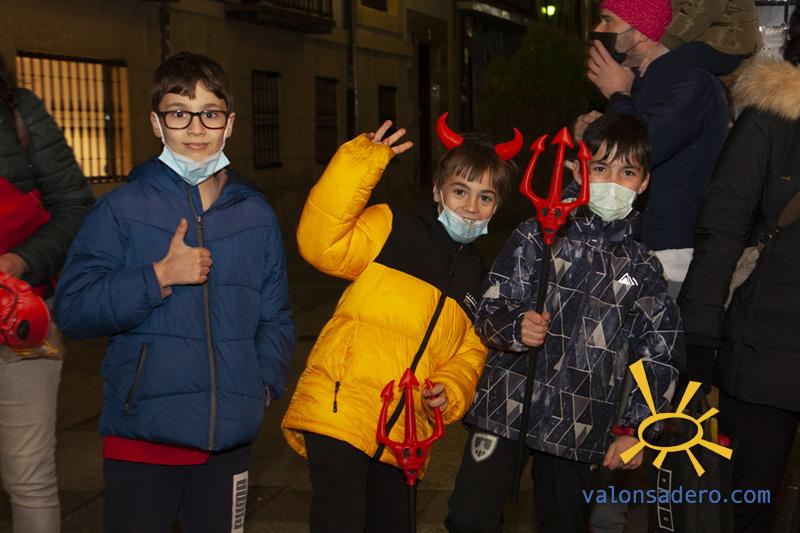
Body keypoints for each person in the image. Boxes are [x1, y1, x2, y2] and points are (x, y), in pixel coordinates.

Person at [53, 51, 296, 533]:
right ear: (156, 123)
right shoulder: (121, 208)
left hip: (228, 441)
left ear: (229, 124)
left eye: (210, 113)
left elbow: (276, 316)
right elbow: (73, 308)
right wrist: (157, 277)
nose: (196, 128)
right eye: (179, 113)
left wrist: (262, 385)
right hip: (143, 438)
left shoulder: (255, 214)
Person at [445, 113, 683, 533]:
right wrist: (515, 327)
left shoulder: (642, 267)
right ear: (578, 171)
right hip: (506, 408)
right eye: (600, 168)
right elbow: (489, 309)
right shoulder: (535, 235)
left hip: (580, 426)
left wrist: (637, 429)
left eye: (627, 172)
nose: (612, 182)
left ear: (644, 182)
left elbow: (660, 353)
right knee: (469, 519)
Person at [281, 116, 520, 532]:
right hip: (341, 406)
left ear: (496, 207)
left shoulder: (479, 276)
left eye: (485, 197)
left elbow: (469, 355)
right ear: (437, 190)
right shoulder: (392, 226)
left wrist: (450, 391)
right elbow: (321, 243)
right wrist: (361, 162)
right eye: (460, 191)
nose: (470, 206)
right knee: (340, 521)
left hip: (405, 432)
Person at [678, 7, 800, 530]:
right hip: (764, 356)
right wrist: (700, 335)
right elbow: (722, 227)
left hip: (764, 354)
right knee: (749, 505)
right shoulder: (773, 116)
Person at [578, 0, 729, 299]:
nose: (598, 29)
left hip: (668, 259)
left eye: (608, 20)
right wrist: (589, 132)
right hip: (636, 249)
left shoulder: (693, 82)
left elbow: (636, 151)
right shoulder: (645, 82)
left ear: (642, 30)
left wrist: (618, 94)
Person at [0, 54, 94, 532]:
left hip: (20, 317)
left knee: (28, 477)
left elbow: (74, 206)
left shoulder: (18, 110)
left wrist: (20, 261)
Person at [638, 0, 760, 76]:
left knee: (659, 68)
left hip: (728, 42)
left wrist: (667, 44)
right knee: (647, 69)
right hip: (701, 40)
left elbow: (703, 8)